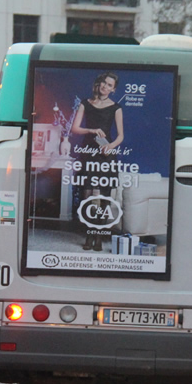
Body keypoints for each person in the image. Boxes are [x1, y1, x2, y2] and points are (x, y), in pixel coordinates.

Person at [70, 72, 125, 251]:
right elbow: (75, 128)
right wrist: (92, 130)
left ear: (113, 89)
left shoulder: (116, 108)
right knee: (86, 195)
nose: (105, 87)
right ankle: (88, 234)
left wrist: (111, 146)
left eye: (109, 85)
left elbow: (120, 136)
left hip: (106, 154)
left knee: (104, 196)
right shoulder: (85, 104)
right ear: (99, 84)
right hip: (88, 152)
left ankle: (99, 236)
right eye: (103, 83)